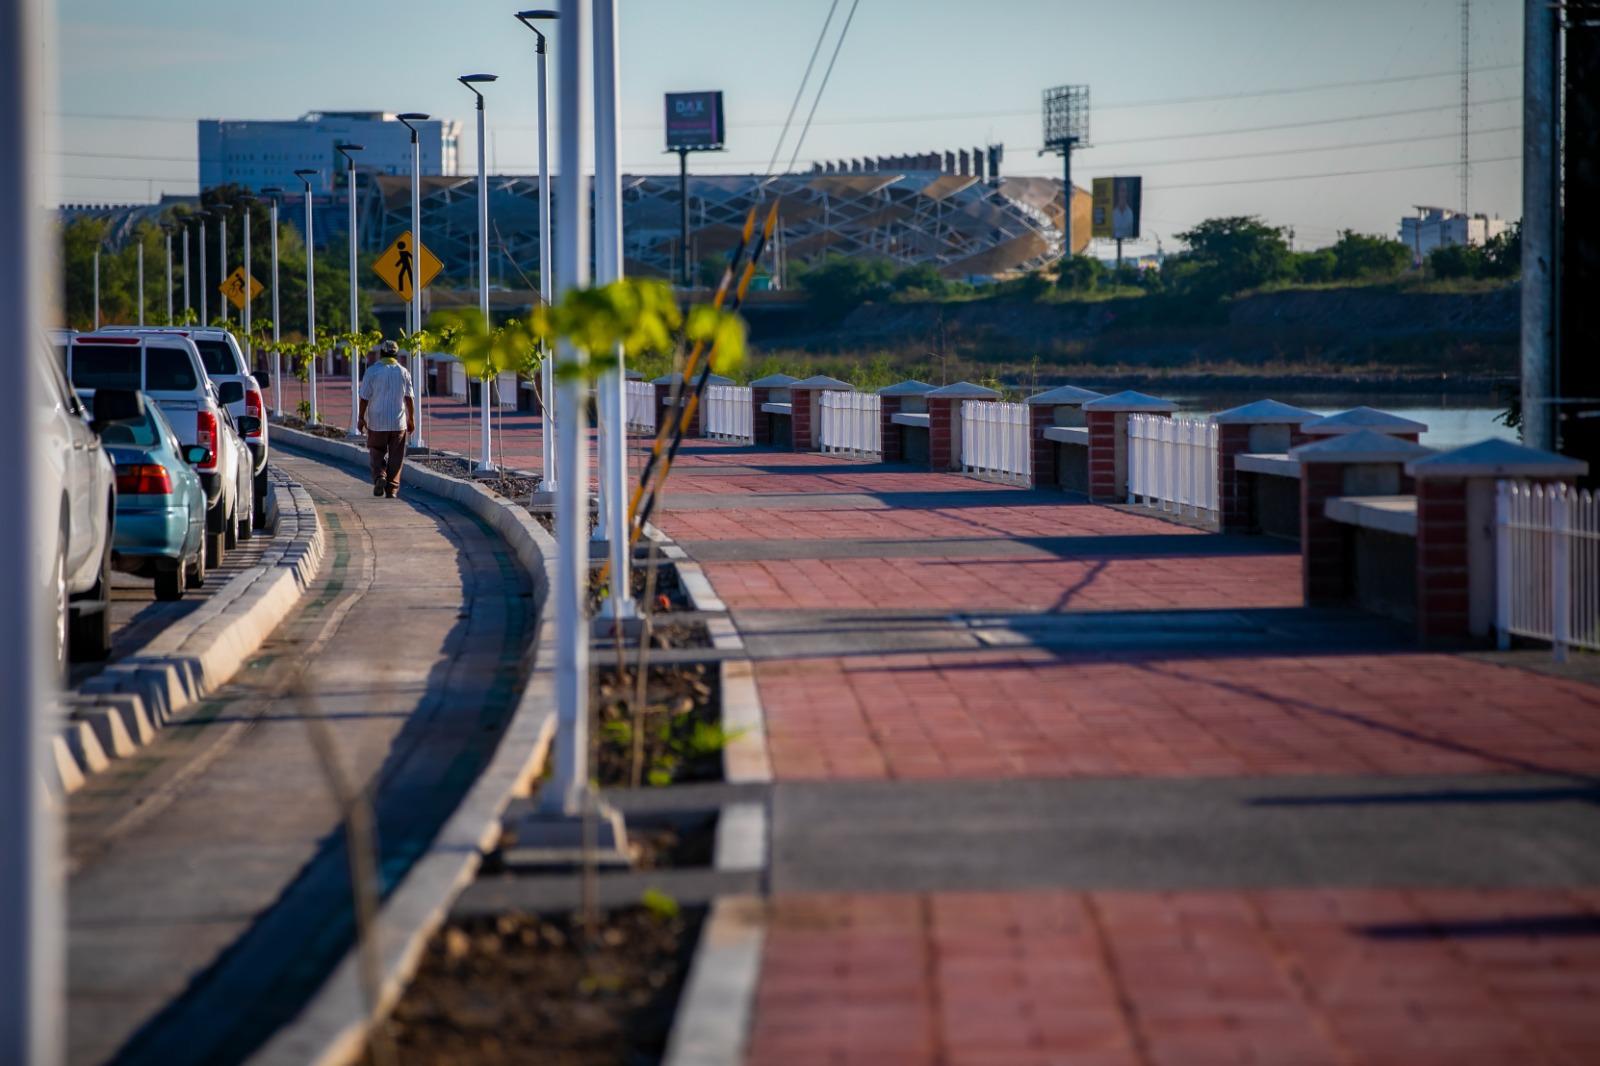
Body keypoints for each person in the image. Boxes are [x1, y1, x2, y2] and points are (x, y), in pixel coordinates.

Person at [357, 339, 415, 498]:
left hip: (377, 422)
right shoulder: (403, 372)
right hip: (398, 422)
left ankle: (380, 476)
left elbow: (364, 398)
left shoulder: (372, 371)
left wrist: (361, 418)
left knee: (376, 452)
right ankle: (392, 488)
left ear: (380, 353)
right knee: (396, 456)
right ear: (396, 354)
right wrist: (411, 419)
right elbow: (409, 398)